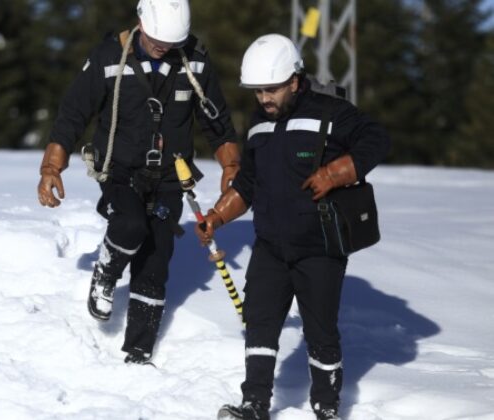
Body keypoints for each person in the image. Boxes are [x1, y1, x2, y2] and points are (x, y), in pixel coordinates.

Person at [196, 34, 390, 420]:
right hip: (270, 245)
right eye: (257, 91)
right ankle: (254, 404)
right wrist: (218, 215)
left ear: (294, 81)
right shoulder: (257, 125)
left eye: (271, 89)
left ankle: (326, 406)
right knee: (260, 325)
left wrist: (336, 172)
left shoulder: (332, 113)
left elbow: (377, 139)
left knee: (320, 333)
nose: (264, 98)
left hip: (319, 247)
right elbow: (248, 184)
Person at [37, 0, 239, 365]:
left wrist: (231, 163)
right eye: (157, 40)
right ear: (141, 23)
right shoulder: (109, 55)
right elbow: (73, 113)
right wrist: (52, 166)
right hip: (119, 169)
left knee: (156, 258)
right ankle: (106, 273)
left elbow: (217, 121)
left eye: (171, 42)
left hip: (169, 175)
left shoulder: (195, 60)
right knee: (130, 225)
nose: (164, 47)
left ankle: (139, 351)